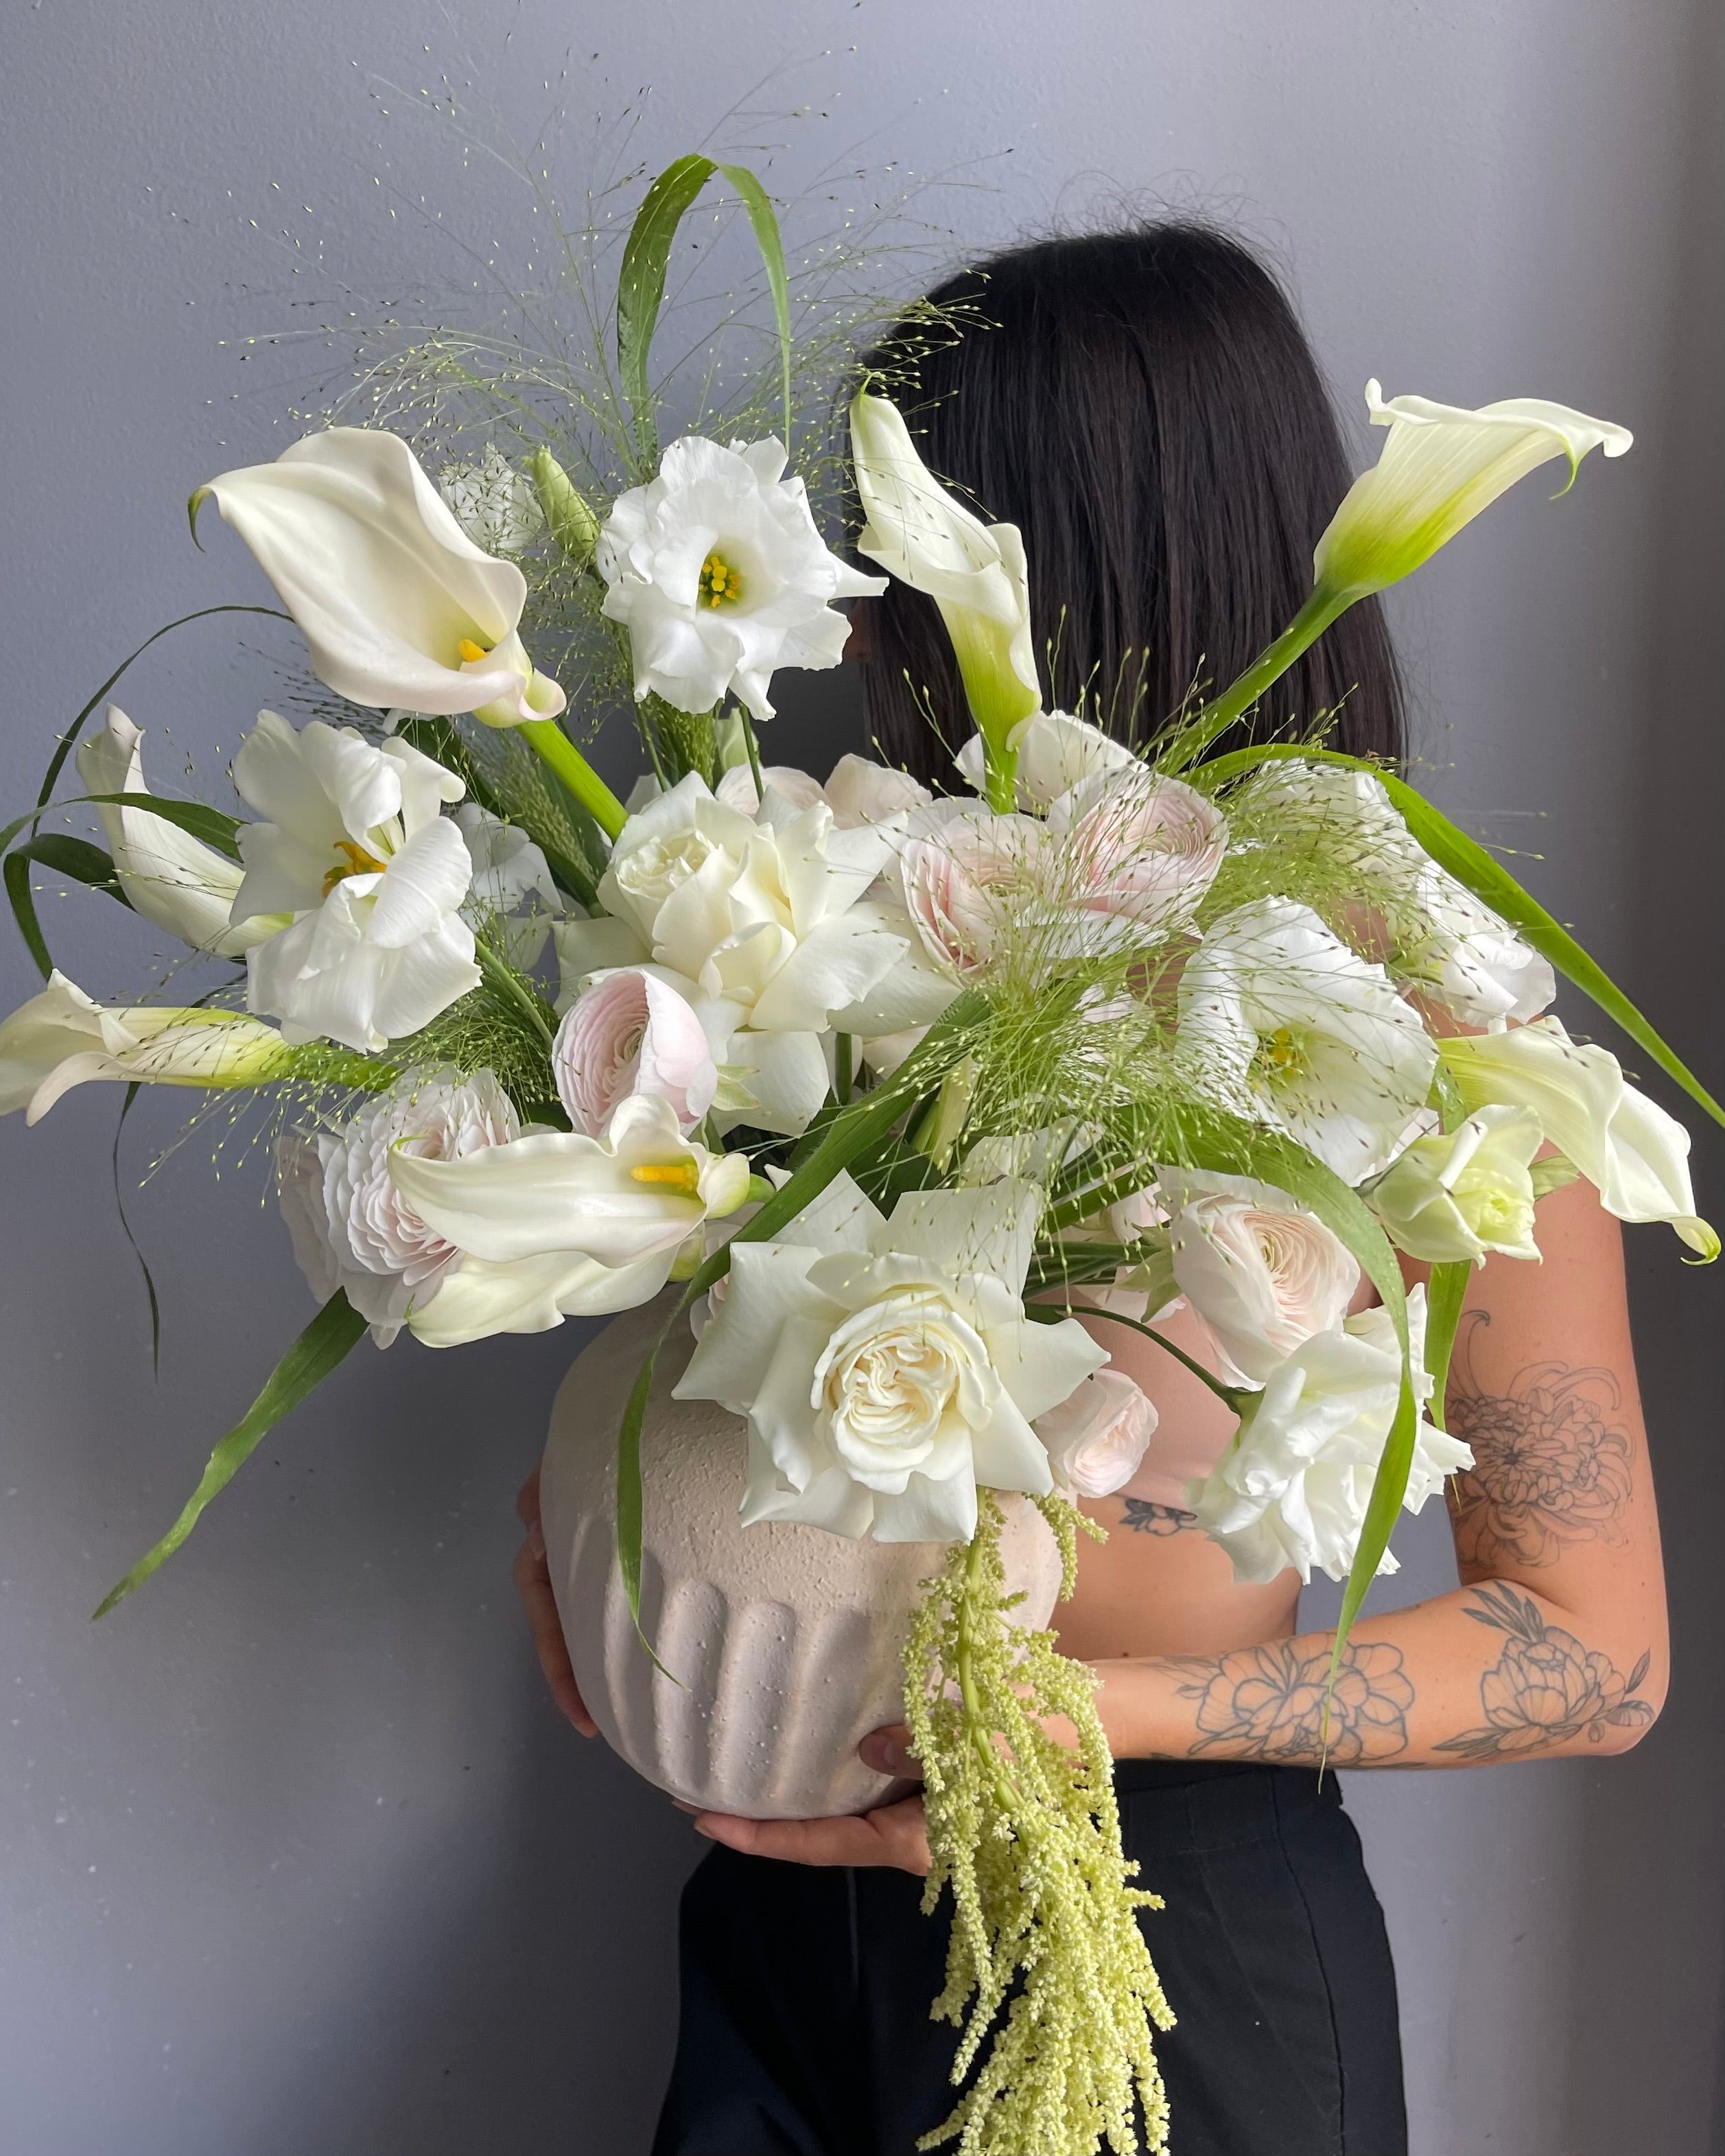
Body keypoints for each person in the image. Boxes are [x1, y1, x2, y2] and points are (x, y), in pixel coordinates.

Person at [514, 224, 1668, 2156]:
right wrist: (592, 1518)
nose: (864, 630)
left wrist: (1094, 1727)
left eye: (896, 557)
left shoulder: (1442, 1030)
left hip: (1157, 1951)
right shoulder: (816, 923)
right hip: (777, 1915)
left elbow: (1591, 1648)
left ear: (1037, 567)